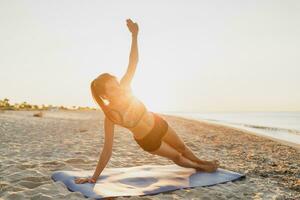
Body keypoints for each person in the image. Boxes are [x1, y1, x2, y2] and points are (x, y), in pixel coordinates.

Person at [75, 18, 220, 184]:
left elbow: (133, 61)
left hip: (158, 123)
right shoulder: (111, 116)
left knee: (182, 148)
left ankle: (201, 163)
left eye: (116, 83)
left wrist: (135, 35)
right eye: (112, 88)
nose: (118, 87)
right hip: (148, 140)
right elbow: (107, 149)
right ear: (105, 96)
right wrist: (94, 177)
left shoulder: (125, 87)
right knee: (177, 155)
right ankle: (201, 167)